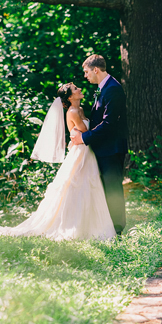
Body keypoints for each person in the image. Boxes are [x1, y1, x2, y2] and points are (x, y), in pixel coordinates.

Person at [0, 82, 116, 241]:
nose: (80, 89)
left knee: (90, 184)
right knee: (76, 186)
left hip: (87, 152)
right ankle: (75, 225)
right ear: (70, 97)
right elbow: (85, 131)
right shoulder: (73, 112)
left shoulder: (80, 110)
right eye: (76, 89)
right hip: (79, 154)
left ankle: (92, 225)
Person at [69, 54, 127, 234]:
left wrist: (84, 138)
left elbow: (109, 124)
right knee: (106, 188)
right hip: (103, 148)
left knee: (113, 188)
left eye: (86, 72)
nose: (85, 76)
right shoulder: (104, 88)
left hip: (111, 148)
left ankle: (117, 229)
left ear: (95, 69)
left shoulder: (112, 89)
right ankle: (108, 226)